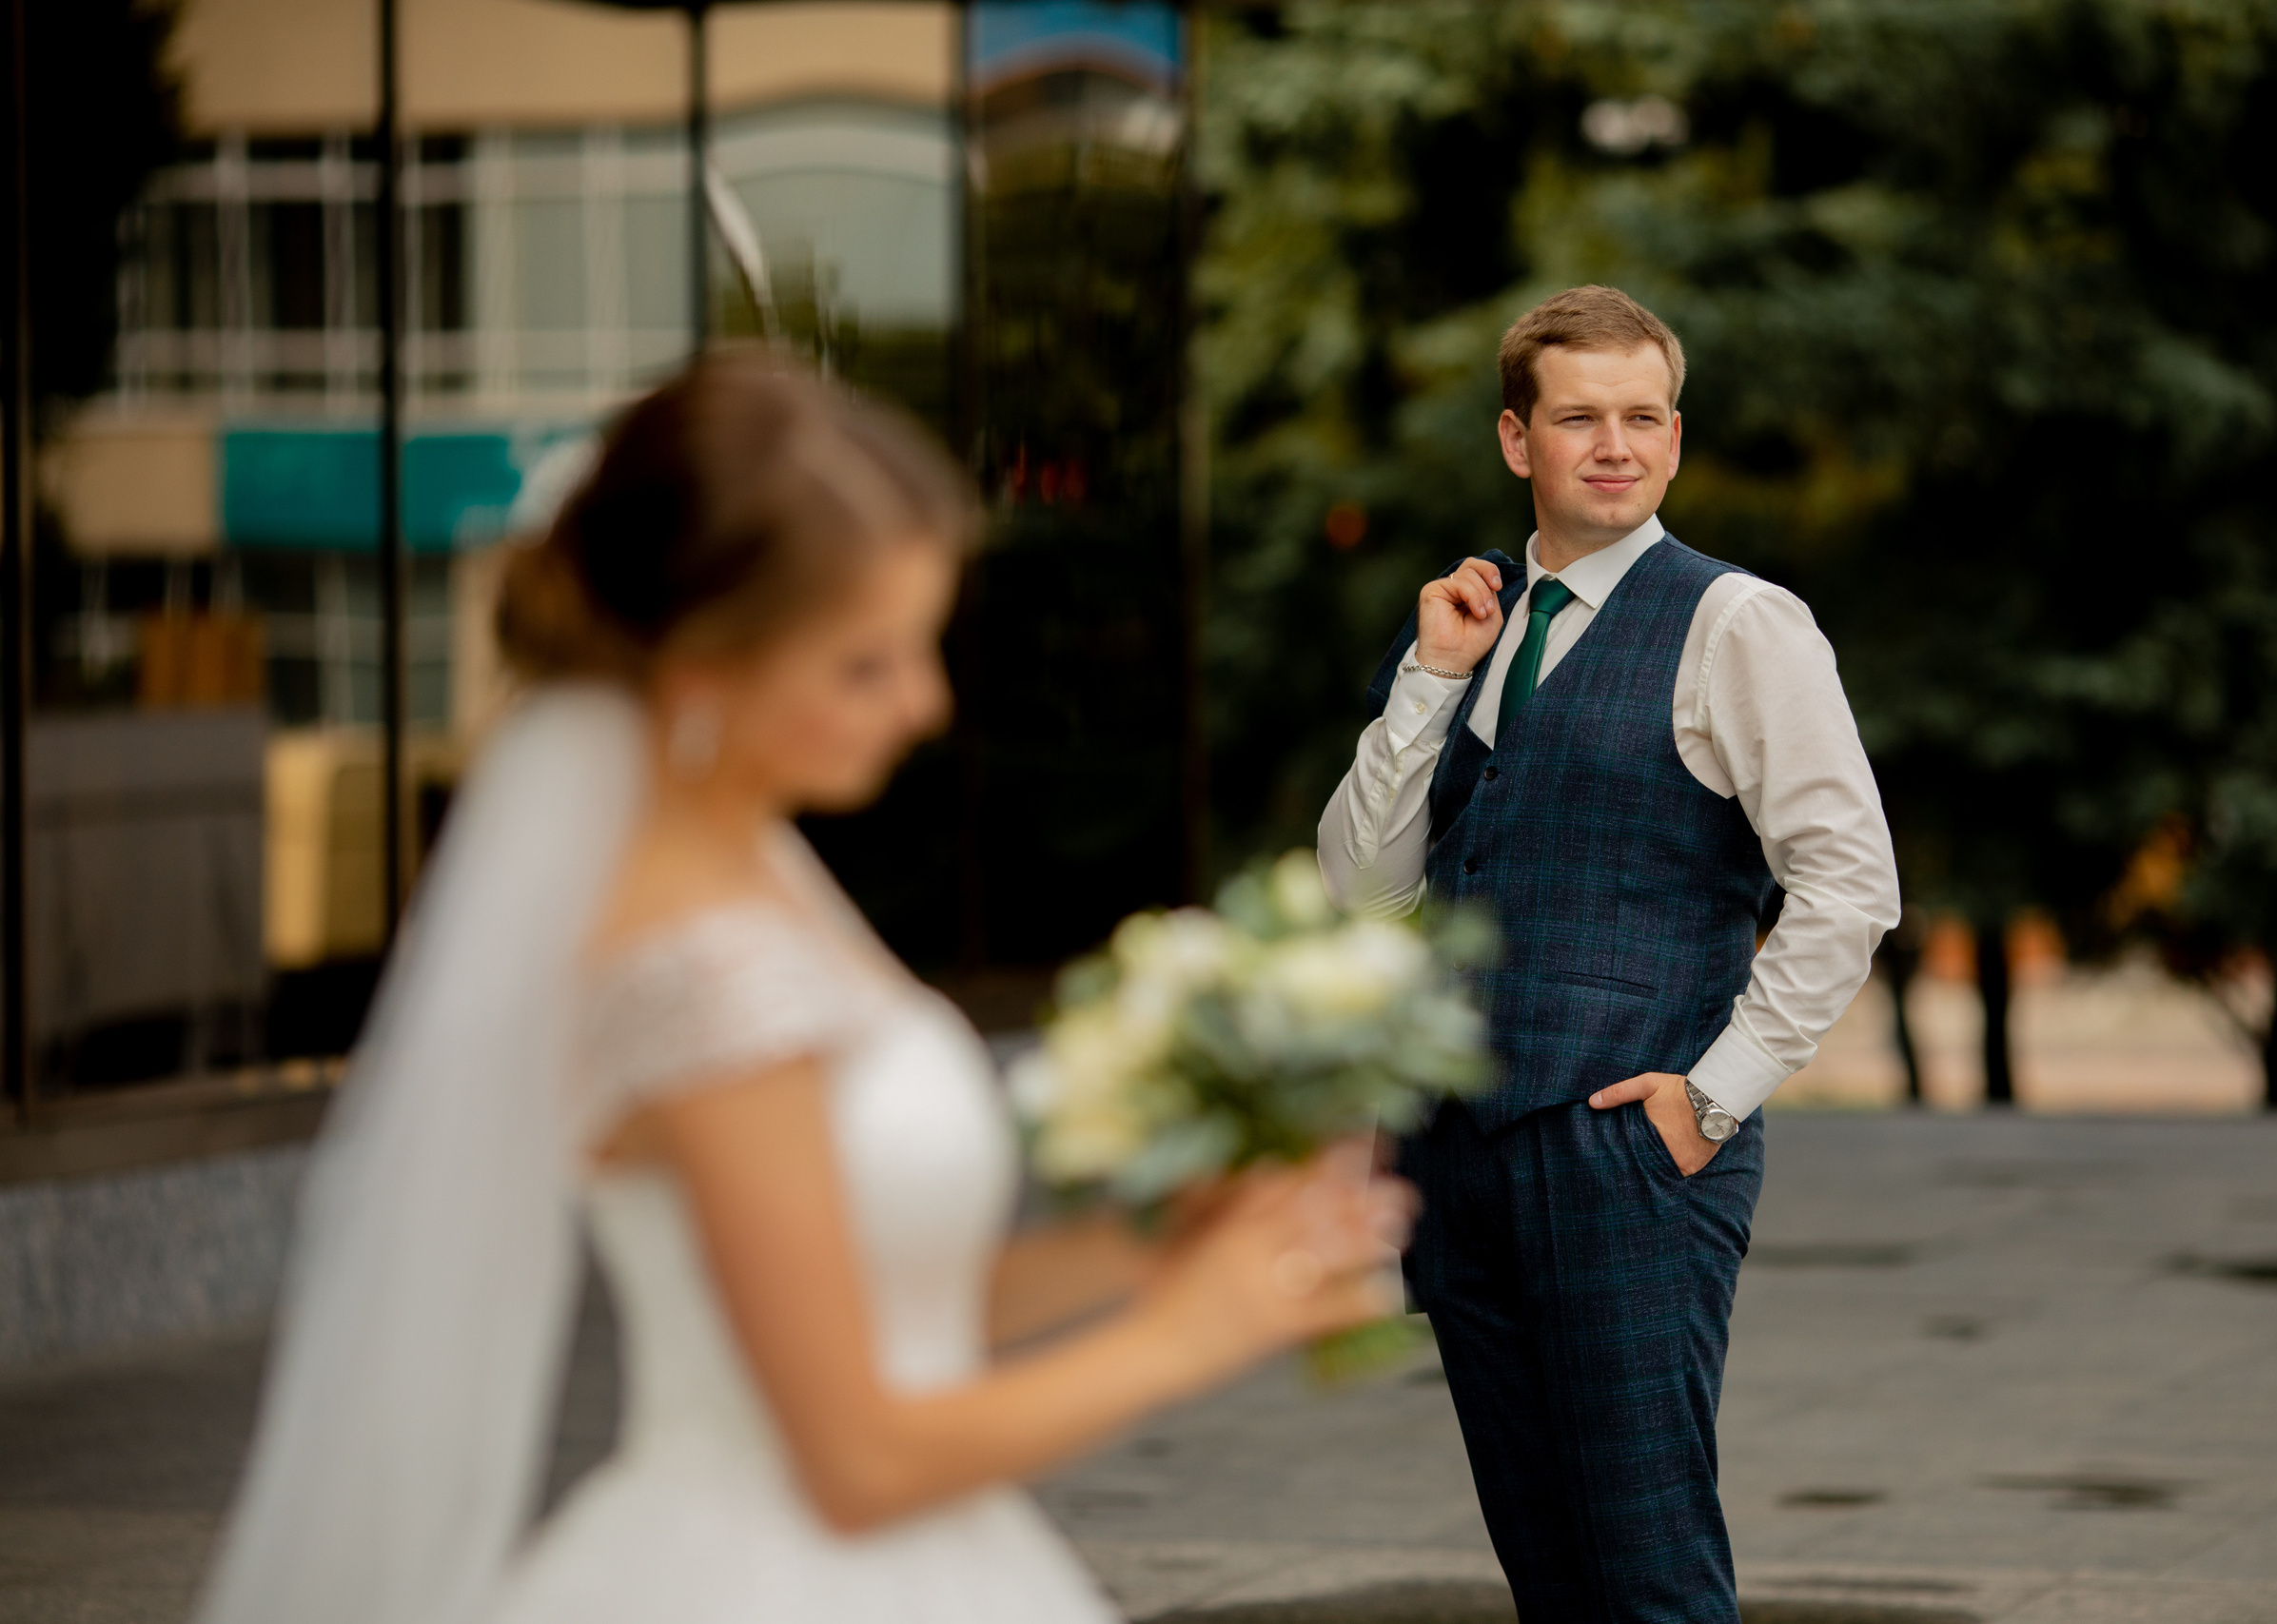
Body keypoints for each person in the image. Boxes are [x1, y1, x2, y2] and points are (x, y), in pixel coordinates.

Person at [195, 355, 1410, 1624]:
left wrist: (1151, 1248)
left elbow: (892, 1306)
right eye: (863, 665)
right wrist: (1190, 1336)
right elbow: (860, 1462)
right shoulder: (696, 973)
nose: (924, 703)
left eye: (920, 647)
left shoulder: (764, 874)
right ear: (704, 671)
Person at [1318, 285, 1901, 1623]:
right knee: (1553, 1580)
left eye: (1643, 417)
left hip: (1628, 1153)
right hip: (1461, 1153)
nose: (1615, 445)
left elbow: (1849, 883)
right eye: (1580, 417)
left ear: (1678, 438)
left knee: (1649, 1578)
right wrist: (1425, 681)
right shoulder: (1475, 627)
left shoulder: (1741, 624)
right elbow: (1363, 890)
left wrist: (1711, 1098)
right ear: (1518, 441)